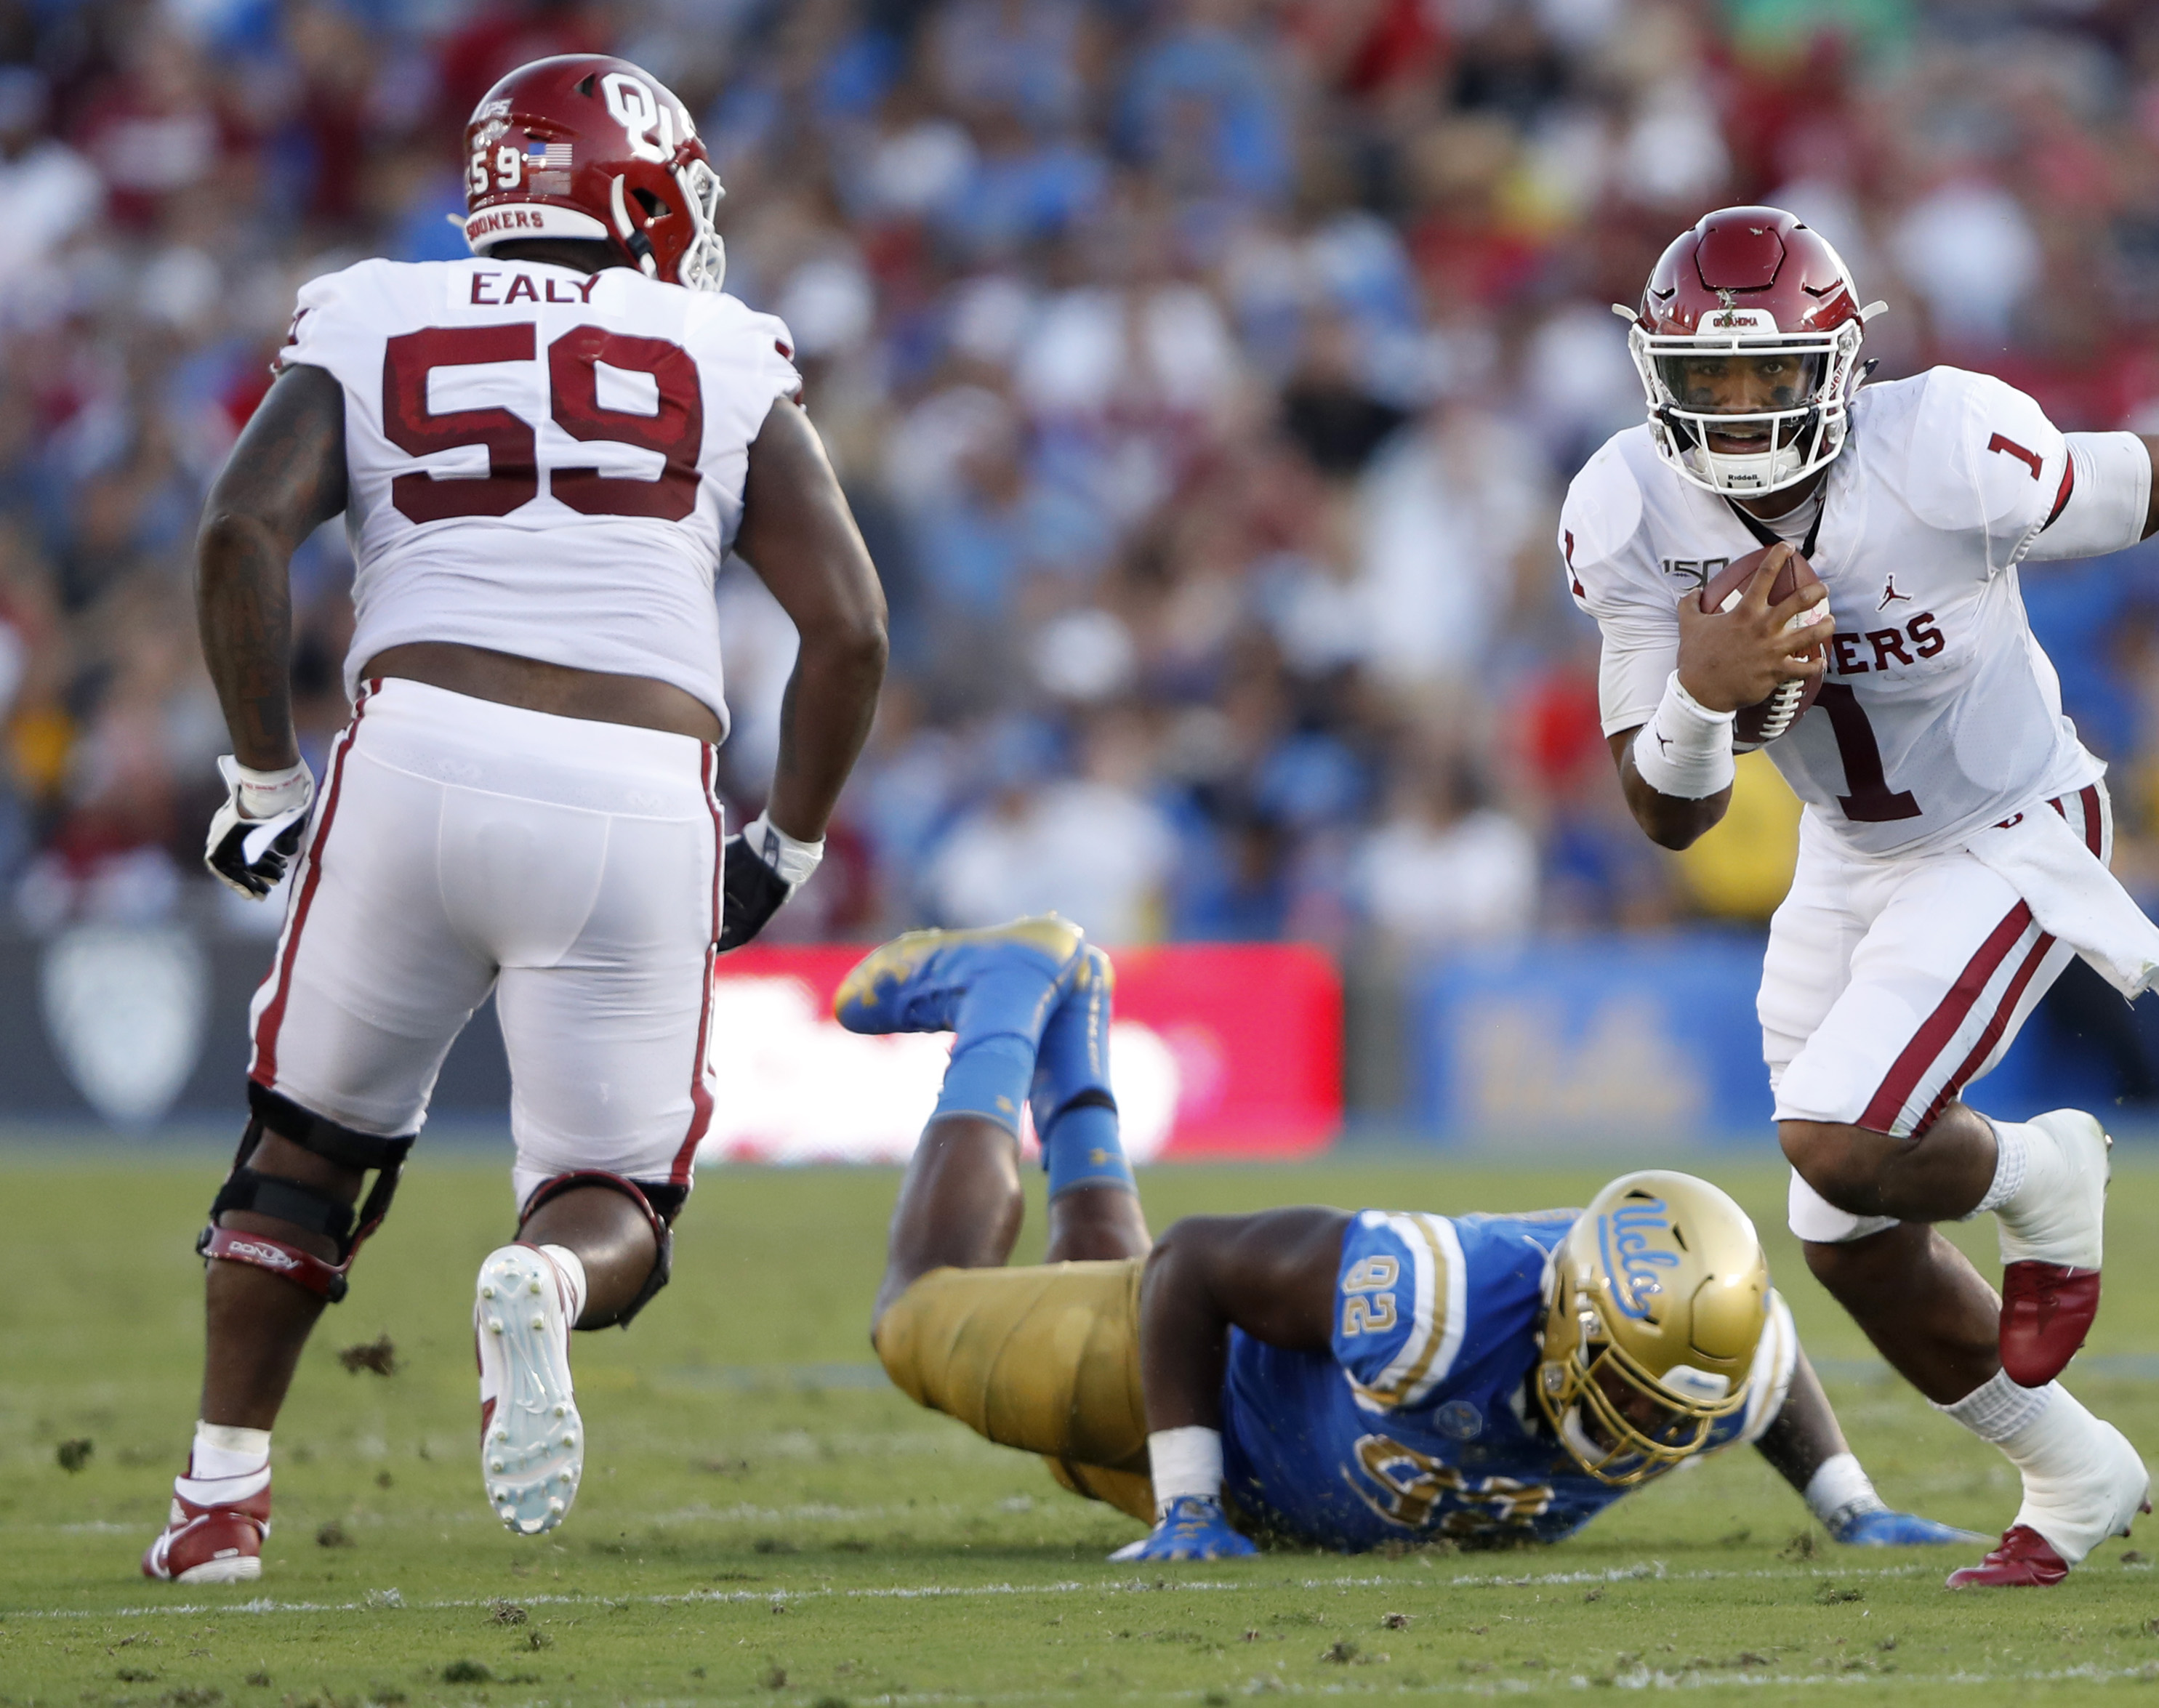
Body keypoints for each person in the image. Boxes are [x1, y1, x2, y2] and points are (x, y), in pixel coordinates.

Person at [145, 55, 889, 1584]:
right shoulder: (721, 343)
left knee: (301, 1154)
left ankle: (219, 1501)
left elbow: (238, 529)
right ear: (633, 188)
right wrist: (786, 847)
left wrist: (264, 784)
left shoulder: (373, 305)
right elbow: (852, 629)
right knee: (614, 1195)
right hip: (636, 791)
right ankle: (544, 1281)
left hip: (414, 753)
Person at [1559, 206, 2159, 1587]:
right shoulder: (1626, 509)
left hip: (2008, 825)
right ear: (1654, 374)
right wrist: (1698, 701)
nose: (1736, 409)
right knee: (1838, 1229)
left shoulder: (1949, 447)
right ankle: (2073, 1470)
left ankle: (2040, 1165)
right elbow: (1668, 816)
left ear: (1837, 362)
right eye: (1707, 379)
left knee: (1835, 1137)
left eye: (1767, 373)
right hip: (1847, 853)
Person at [843, 916, 1978, 1557]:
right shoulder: (1429, 1298)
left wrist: (1850, 1505)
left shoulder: (1711, 1353)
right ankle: (1002, 993)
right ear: (1570, 1321)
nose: (1645, 1430)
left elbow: (1770, 1371)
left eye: (1669, 1411)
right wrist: (1190, 1495)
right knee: (913, 1320)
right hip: (1195, 1391)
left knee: (1087, 1279)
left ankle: (1073, 1024)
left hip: (1267, 1483)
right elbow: (1189, 1265)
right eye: (1632, 1393)